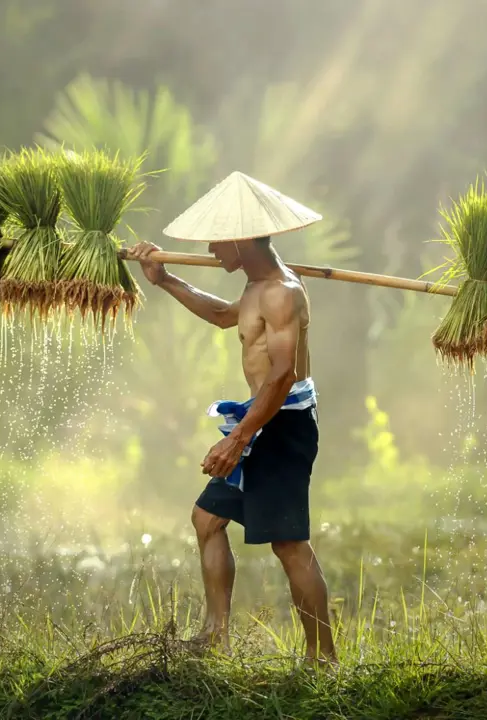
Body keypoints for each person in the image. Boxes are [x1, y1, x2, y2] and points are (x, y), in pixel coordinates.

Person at [127, 171, 336, 666]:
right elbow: (225, 316)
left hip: (280, 426)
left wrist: (238, 439)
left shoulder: (283, 291)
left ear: (242, 239)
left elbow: (283, 374)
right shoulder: (255, 286)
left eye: (217, 240)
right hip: (257, 422)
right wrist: (167, 279)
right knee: (207, 519)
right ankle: (216, 636)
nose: (211, 249)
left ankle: (323, 658)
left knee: (289, 545)